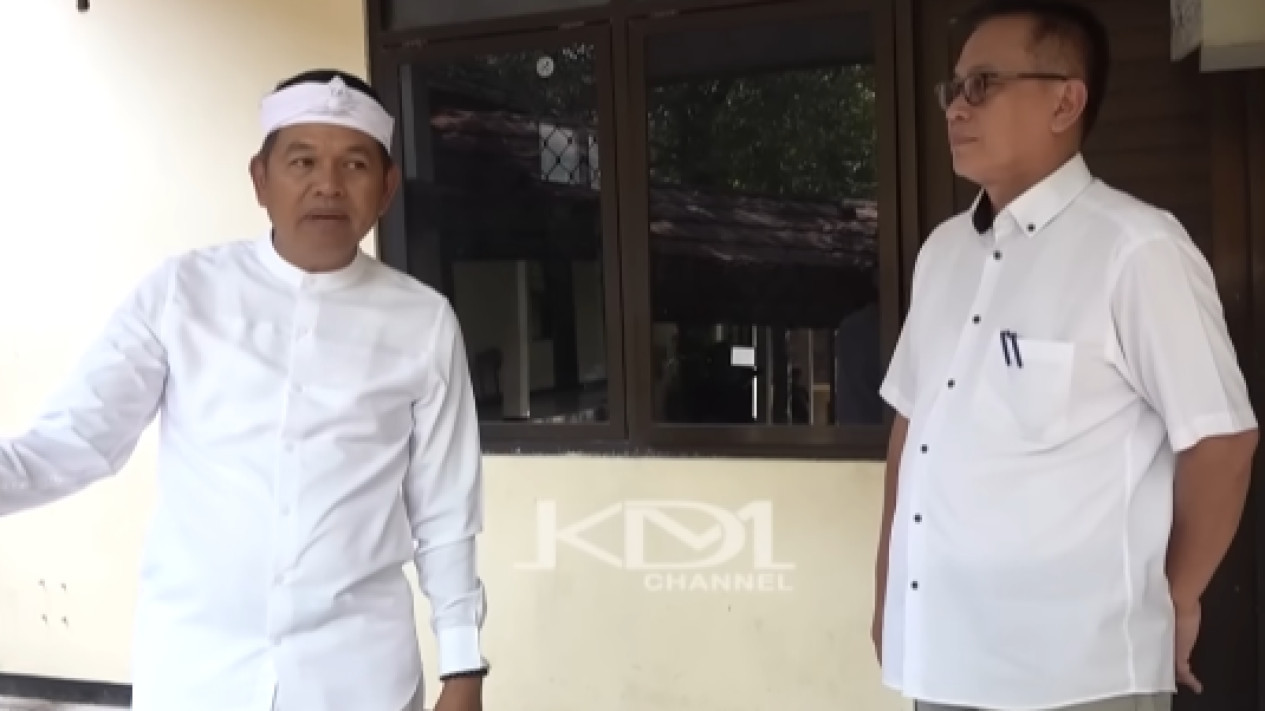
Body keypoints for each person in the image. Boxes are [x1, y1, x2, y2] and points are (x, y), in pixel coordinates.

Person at [0, 69, 488, 711]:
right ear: (261, 179)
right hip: (197, 677)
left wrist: (463, 666)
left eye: (354, 164)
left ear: (387, 188)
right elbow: (75, 440)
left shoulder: (423, 322)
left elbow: (446, 507)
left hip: (359, 680)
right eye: (302, 161)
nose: (328, 185)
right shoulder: (182, 295)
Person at [871, 2, 1258, 710]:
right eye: (953, 88)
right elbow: (910, 431)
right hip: (942, 660)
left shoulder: (1136, 249)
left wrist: (1172, 597)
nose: (956, 107)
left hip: (1077, 674)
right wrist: (888, 598)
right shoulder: (942, 253)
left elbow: (1221, 442)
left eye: (982, 84)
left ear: (1065, 101)